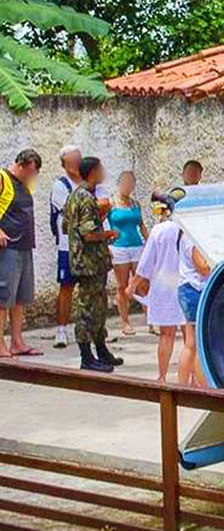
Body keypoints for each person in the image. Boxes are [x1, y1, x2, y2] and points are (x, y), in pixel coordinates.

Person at [62, 156, 122, 372]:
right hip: (89, 263)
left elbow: (66, 226)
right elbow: (88, 234)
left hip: (89, 262)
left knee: (98, 308)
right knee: (88, 309)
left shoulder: (75, 196)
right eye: (100, 170)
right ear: (92, 173)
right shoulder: (85, 198)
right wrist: (108, 233)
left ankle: (101, 350)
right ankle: (86, 357)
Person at [127, 199, 184, 382]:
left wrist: (133, 284)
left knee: (166, 335)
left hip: (164, 286)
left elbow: (146, 263)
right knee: (190, 338)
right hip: (185, 284)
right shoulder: (191, 230)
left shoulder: (159, 231)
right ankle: (190, 378)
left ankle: (162, 376)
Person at [0, 149, 43, 360]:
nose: (31, 176)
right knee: (3, 298)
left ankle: (17, 342)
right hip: (7, 248)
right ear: (21, 164)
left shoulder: (26, 185)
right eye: (30, 171)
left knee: (20, 298)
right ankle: (0, 344)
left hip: (25, 246)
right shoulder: (2, 178)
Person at [49, 145, 83, 348]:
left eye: (78, 159)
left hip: (89, 245)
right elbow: (73, 211)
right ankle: (61, 330)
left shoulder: (92, 183)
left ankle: (88, 329)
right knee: (66, 287)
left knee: (91, 289)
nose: (76, 163)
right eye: (72, 160)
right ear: (64, 164)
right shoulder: (60, 186)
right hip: (67, 246)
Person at [109, 170, 148, 336]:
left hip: (137, 245)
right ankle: (125, 322)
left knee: (143, 284)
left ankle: (151, 321)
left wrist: (151, 242)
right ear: (119, 184)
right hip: (119, 248)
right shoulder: (110, 203)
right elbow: (100, 223)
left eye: (131, 183)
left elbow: (142, 225)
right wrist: (106, 244)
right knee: (122, 286)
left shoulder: (135, 204)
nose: (128, 186)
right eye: (125, 183)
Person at [176, 225, 211, 387]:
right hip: (195, 290)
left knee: (191, 344)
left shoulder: (185, 236)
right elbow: (203, 267)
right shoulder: (192, 238)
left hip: (188, 290)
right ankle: (203, 387)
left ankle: (183, 386)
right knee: (199, 345)